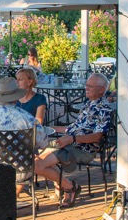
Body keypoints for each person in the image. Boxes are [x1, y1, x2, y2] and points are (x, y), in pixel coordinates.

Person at [34, 73, 113, 205]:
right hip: (69, 143)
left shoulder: (104, 109)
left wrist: (72, 139)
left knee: (37, 165)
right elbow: (75, 128)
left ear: (101, 90)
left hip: (82, 149)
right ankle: (64, 185)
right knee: (35, 159)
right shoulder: (89, 103)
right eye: (86, 85)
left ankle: (69, 187)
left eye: (90, 86)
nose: (86, 88)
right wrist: (50, 128)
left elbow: (97, 136)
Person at [0, 78, 39, 197]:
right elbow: (41, 142)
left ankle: (3, 197)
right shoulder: (26, 117)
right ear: (16, 96)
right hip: (19, 170)